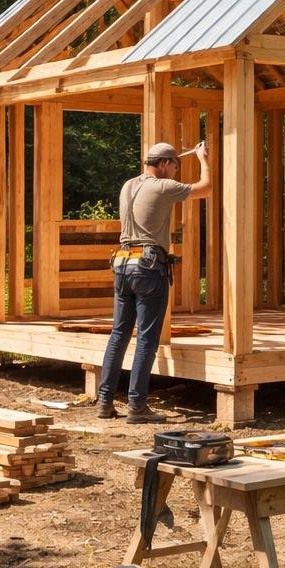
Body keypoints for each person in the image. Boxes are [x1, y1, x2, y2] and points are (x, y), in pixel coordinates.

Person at [96, 139, 211, 422]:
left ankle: (104, 402)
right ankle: (137, 406)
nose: (175, 172)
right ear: (163, 164)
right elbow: (205, 187)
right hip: (148, 267)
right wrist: (202, 157)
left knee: (119, 334)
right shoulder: (162, 186)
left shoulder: (127, 185)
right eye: (174, 166)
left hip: (123, 263)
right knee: (147, 338)